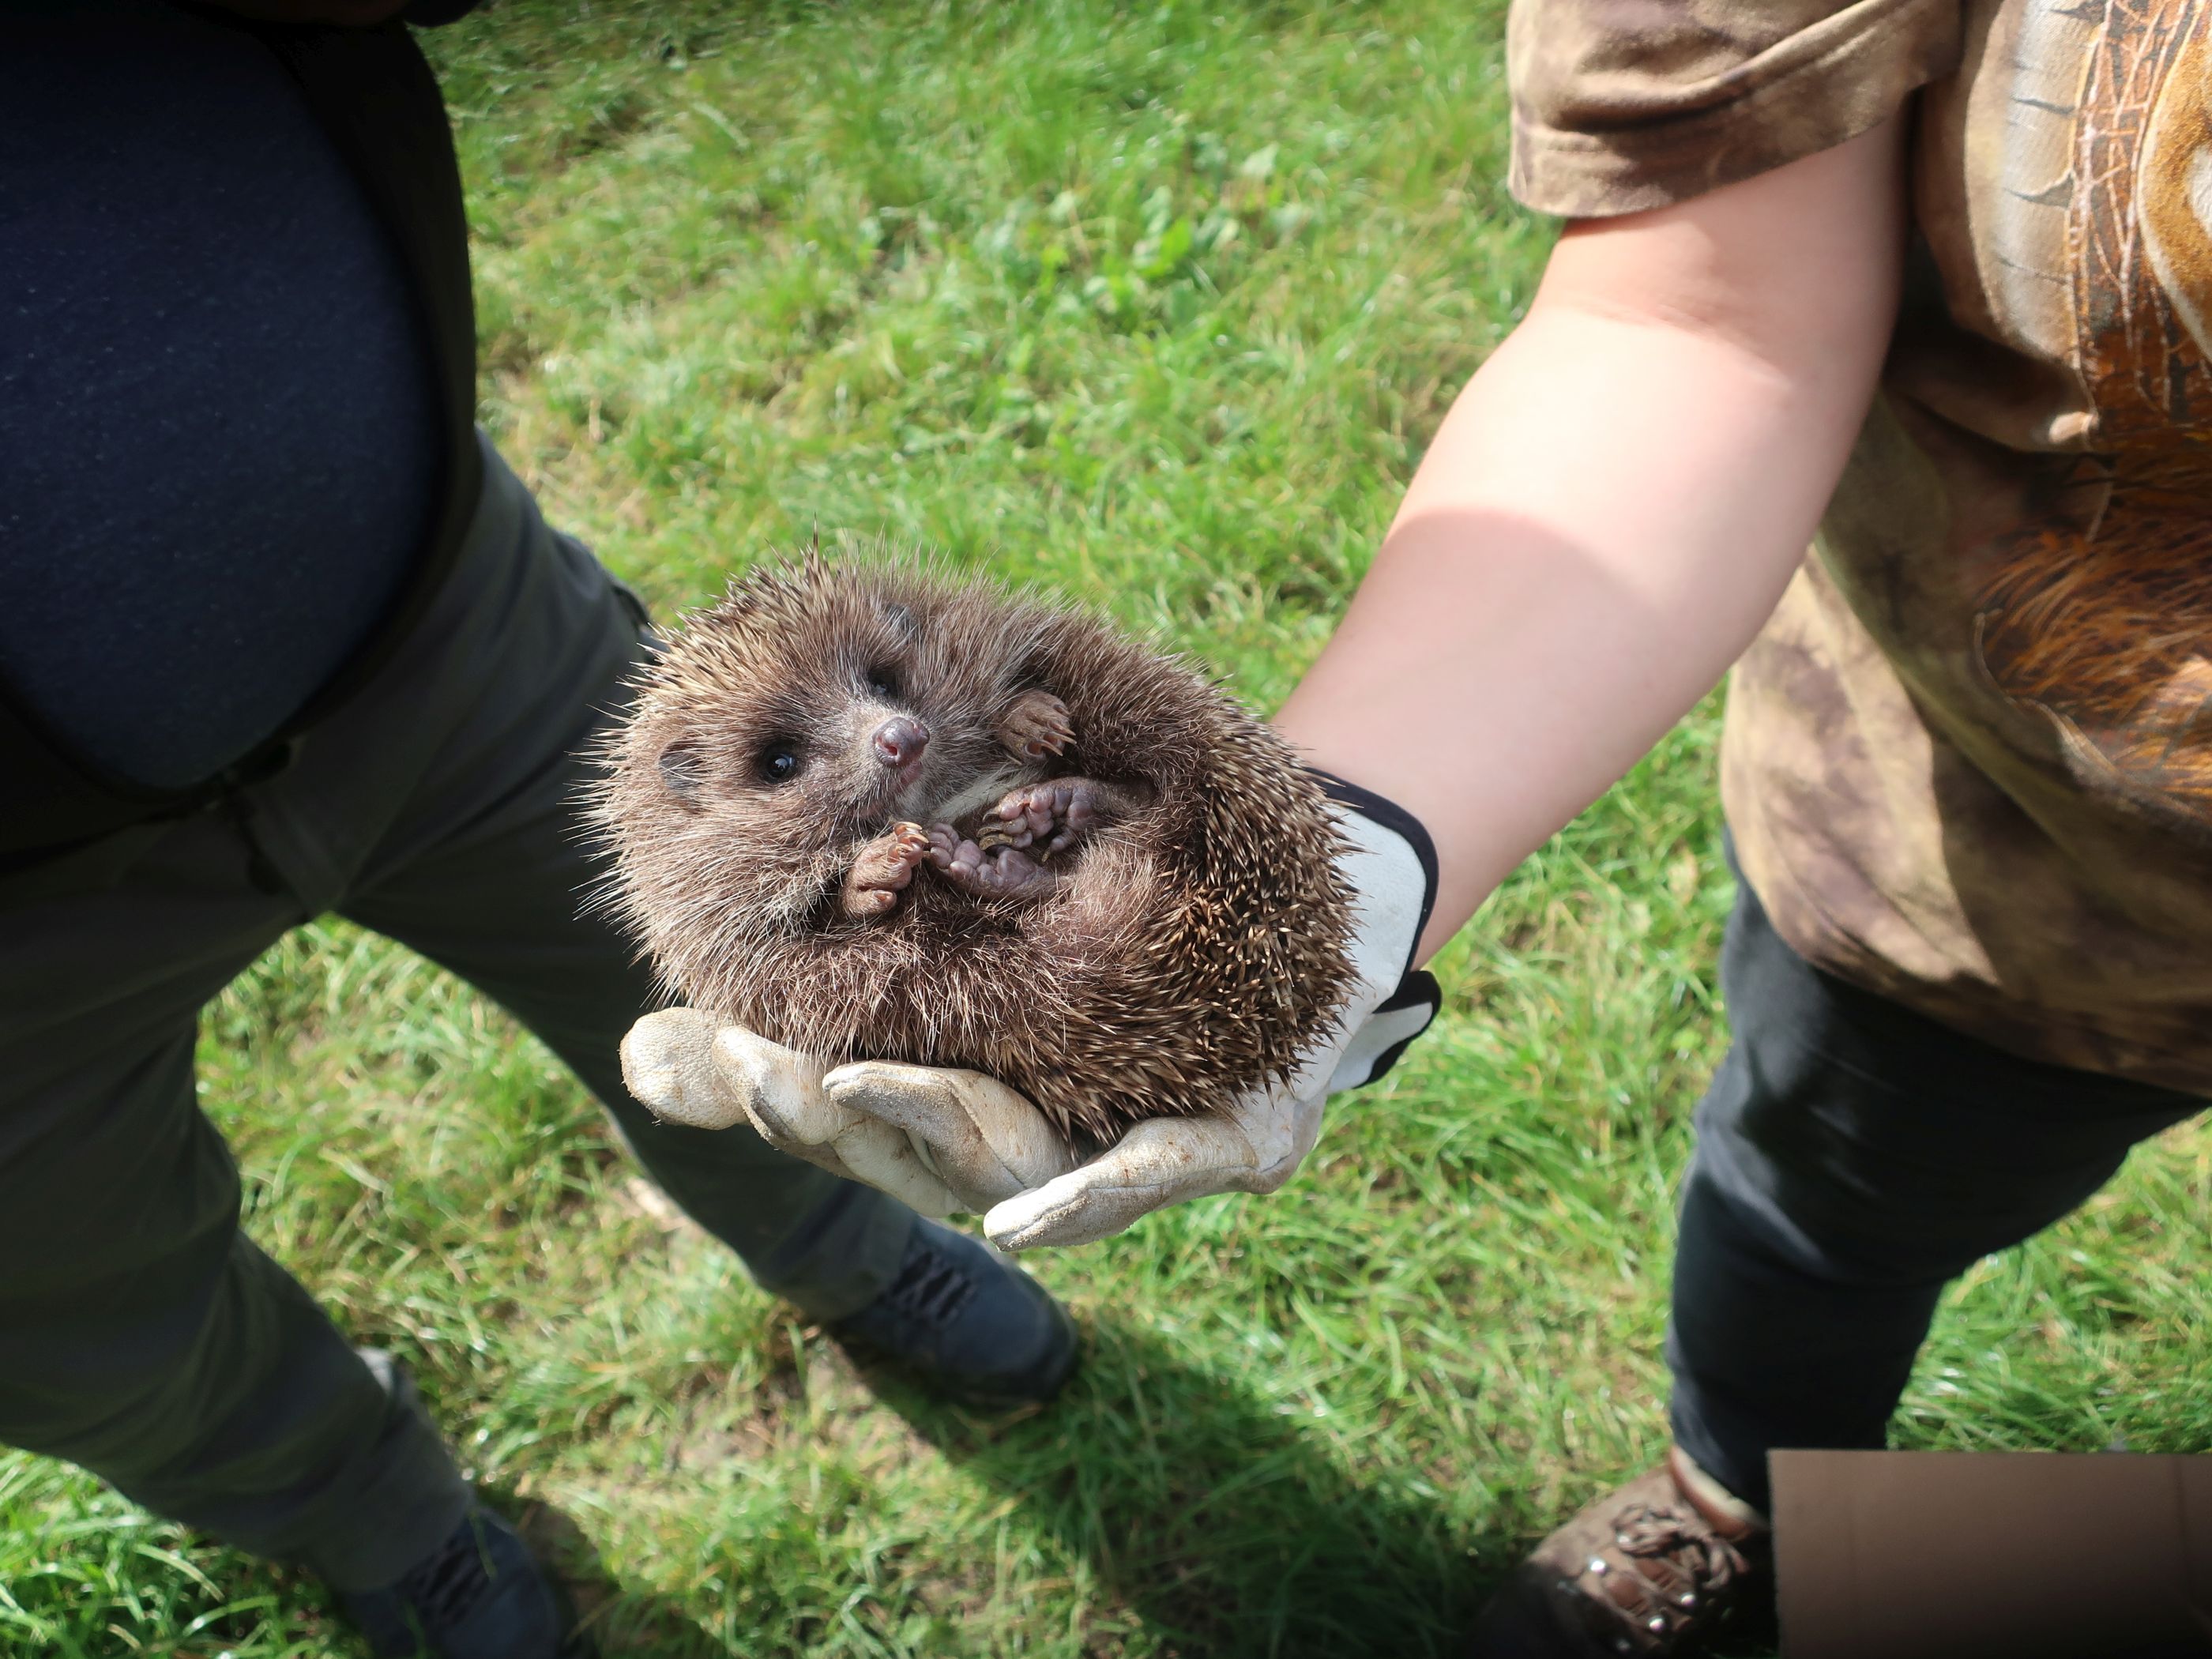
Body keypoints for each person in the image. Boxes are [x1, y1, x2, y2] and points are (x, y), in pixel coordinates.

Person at [646, 0, 2212, 1653]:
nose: (891, 733)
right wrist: (1354, 859)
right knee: (1813, 1222)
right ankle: (1747, 1504)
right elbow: (1702, 322)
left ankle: (2014, 1579)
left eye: (888, 686)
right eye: (794, 754)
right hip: (2000, 901)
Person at [0, 6, 1087, 1657]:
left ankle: (831, 1241)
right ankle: (368, 1510)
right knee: (84, 1319)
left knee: (741, 1005)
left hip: (443, 633)